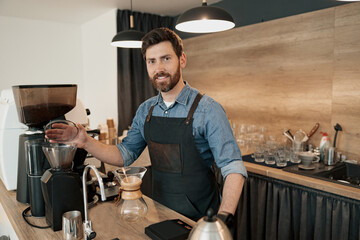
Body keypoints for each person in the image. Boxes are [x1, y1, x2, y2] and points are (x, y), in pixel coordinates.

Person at [46, 27, 247, 222]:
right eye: (152, 61)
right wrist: (85, 141)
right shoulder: (146, 110)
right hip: (161, 214)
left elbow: (233, 167)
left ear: (182, 60)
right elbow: (124, 155)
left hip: (203, 219)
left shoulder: (208, 109)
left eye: (166, 59)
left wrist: (222, 217)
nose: (159, 68)